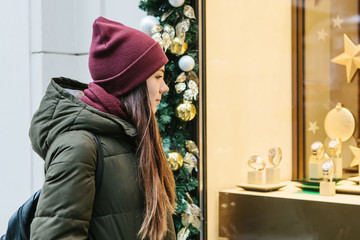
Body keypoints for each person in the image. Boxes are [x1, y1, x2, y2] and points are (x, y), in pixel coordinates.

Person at [29, 16, 176, 240]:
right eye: (157, 77)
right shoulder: (79, 146)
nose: (164, 87)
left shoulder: (132, 136)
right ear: (131, 83)